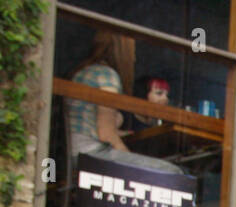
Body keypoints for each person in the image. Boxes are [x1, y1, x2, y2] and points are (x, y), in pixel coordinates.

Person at [66, 31, 181, 174]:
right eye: (132, 52)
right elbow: (106, 134)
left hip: (72, 153)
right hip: (89, 155)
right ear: (122, 52)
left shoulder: (83, 72)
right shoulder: (106, 76)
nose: (134, 58)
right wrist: (128, 156)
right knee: (171, 171)